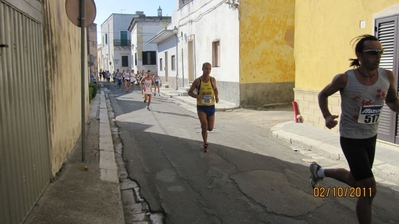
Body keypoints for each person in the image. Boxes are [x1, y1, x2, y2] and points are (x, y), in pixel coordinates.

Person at [311, 34, 399, 224]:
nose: (378, 56)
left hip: (371, 136)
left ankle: (319, 171)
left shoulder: (387, 76)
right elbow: (323, 94)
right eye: (372, 53)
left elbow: (391, 100)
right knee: (368, 188)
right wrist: (326, 115)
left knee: (355, 180)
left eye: (380, 52)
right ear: (359, 55)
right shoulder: (345, 79)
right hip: (351, 138)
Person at [188, 62, 219, 152]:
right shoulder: (198, 81)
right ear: (202, 69)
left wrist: (216, 97)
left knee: (210, 128)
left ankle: (204, 129)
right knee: (204, 125)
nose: (208, 71)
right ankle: (205, 143)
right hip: (201, 107)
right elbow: (190, 92)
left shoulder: (212, 80)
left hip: (211, 106)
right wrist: (196, 96)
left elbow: (216, 89)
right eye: (206, 69)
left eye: (209, 69)